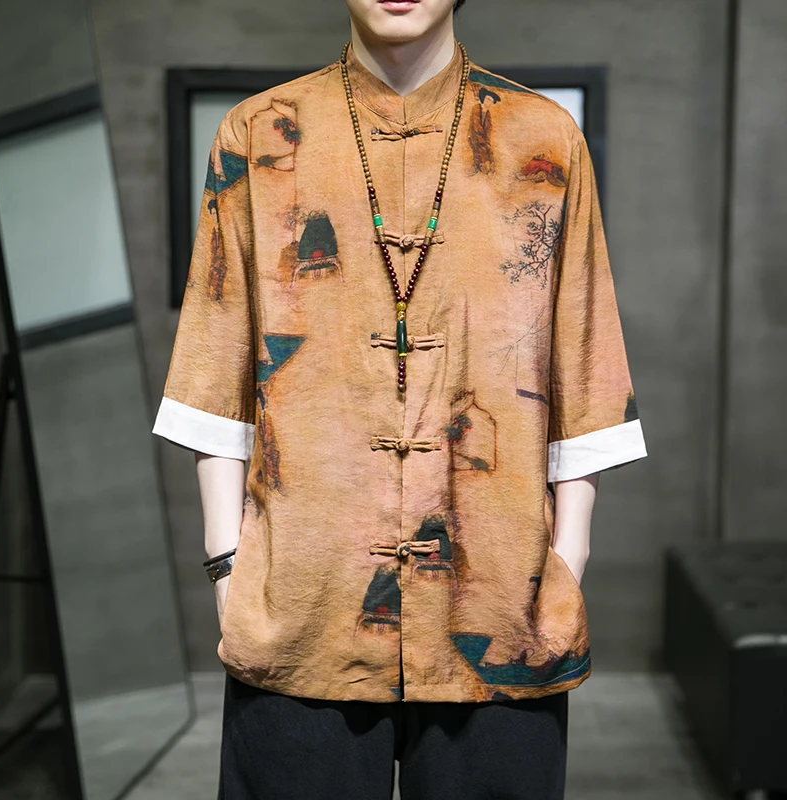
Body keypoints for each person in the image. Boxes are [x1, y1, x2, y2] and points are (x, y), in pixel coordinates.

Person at [152, 0, 648, 797]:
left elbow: (584, 351)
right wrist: (227, 565)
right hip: (301, 593)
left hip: (499, 594)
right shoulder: (261, 131)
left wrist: (568, 557)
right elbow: (217, 349)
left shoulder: (542, 137)